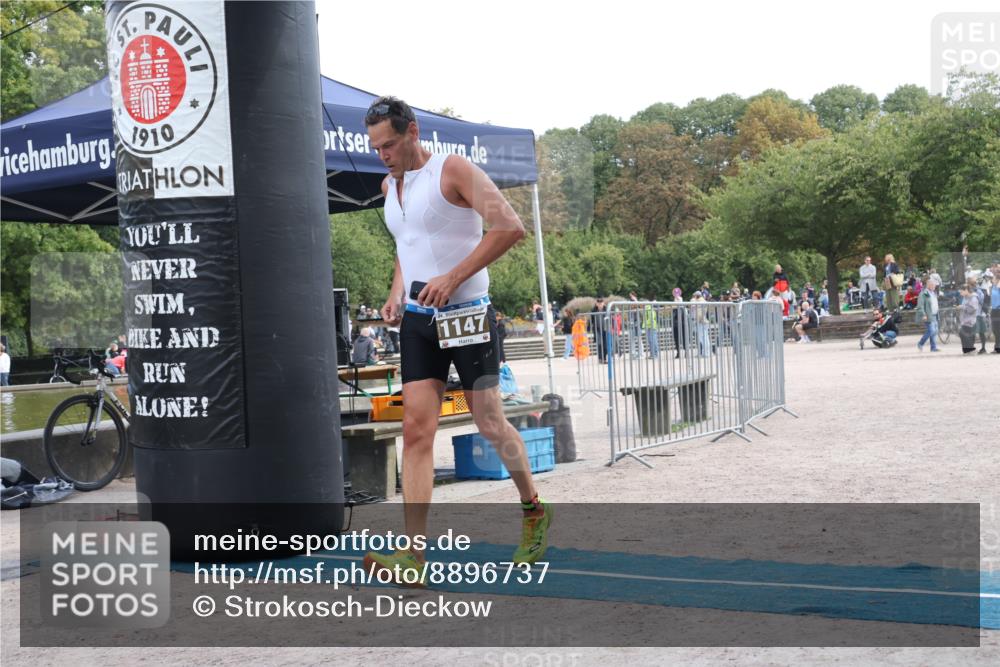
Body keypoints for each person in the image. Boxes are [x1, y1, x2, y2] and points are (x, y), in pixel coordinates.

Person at [362, 97, 550, 582]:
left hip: (468, 315)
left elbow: (510, 226)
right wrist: (396, 291)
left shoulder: (453, 170)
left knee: (490, 424)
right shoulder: (389, 185)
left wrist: (453, 276)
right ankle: (414, 557)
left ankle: (532, 509)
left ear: (413, 131)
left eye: (389, 144)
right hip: (419, 321)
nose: (383, 155)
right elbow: (408, 243)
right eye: (376, 147)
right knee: (416, 430)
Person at [915, 277, 940, 352]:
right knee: (931, 330)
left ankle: (933, 347)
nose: (935, 286)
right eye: (933, 285)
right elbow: (920, 306)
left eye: (935, 285)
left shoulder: (933, 293)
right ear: (928, 285)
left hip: (935, 314)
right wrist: (924, 314)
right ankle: (920, 343)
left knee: (935, 331)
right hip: (929, 315)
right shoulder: (923, 294)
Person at [957, 284, 980, 354]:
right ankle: (967, 351)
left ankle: (971, 350)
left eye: (961, 292)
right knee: (963, 335)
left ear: (966, 290)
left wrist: (962, 307)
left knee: (964, 334)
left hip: (970, 321)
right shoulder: (965, 297)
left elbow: (972, 309)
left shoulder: (973, 298)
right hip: (964, 320)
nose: (960, 294)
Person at [670, 288, 689, 358]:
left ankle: (686, 352)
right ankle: (678, 352)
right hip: (676, 324)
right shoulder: (674, 305)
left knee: (683, 338)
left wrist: (677, 298)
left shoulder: (681, 305)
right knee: (676, 338)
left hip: (682, 323)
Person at [990, 267, 1000, 354]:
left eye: (993, 278)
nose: (992, 279)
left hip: (998, 310)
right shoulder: (993, 287)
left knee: (998, 329)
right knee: (995, 330)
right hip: (993, 310)